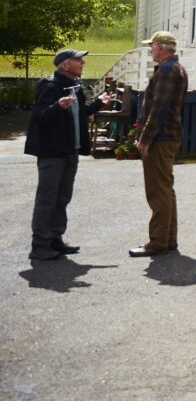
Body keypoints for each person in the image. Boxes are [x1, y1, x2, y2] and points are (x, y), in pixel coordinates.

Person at [25, 49, 112, 261]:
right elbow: (40, 116)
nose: (82, 62)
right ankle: (40, 245)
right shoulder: (50, 86)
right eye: (77, 59)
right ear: (64, 65)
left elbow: (80, 113)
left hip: (69, 152)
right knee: (47, 198)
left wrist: (100, 102)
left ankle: (55, 238)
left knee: (62, 197)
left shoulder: (74, 86)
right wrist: (57, 106)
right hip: (52, 152)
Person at [130, 31, 188, 257]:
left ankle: (157, 242)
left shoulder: (166, 71)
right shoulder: (177, 68)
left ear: (162, 47)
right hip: (168, 137)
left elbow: (158, 109)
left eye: (152, 46)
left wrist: (144, 139)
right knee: (166, 189)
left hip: (160, 139)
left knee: (157, 191)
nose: (151, 50)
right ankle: (168, 239)